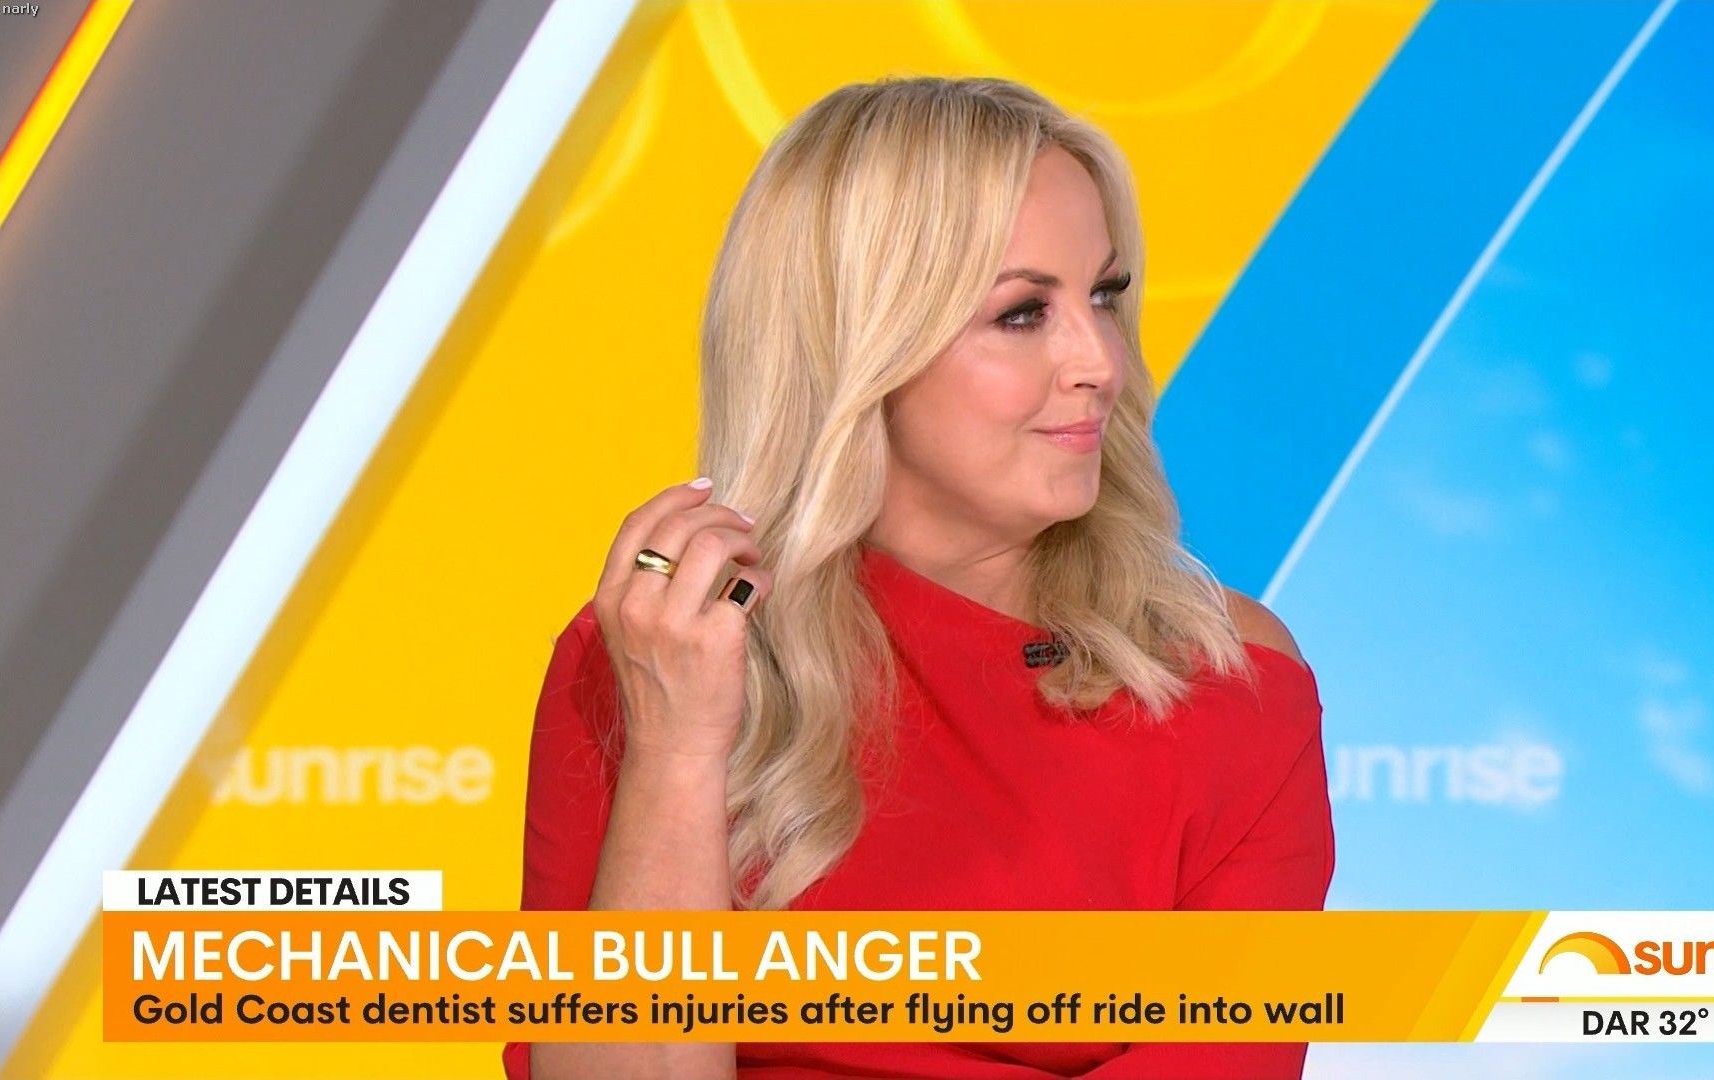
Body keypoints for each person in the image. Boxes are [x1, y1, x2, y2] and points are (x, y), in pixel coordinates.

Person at [505, 75, 1332, 1080]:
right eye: (1023, 313)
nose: (1100, 364)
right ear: (859, 342)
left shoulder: (1229, 677)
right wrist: (679, 755)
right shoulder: (653, 656)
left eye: (1104, 297)